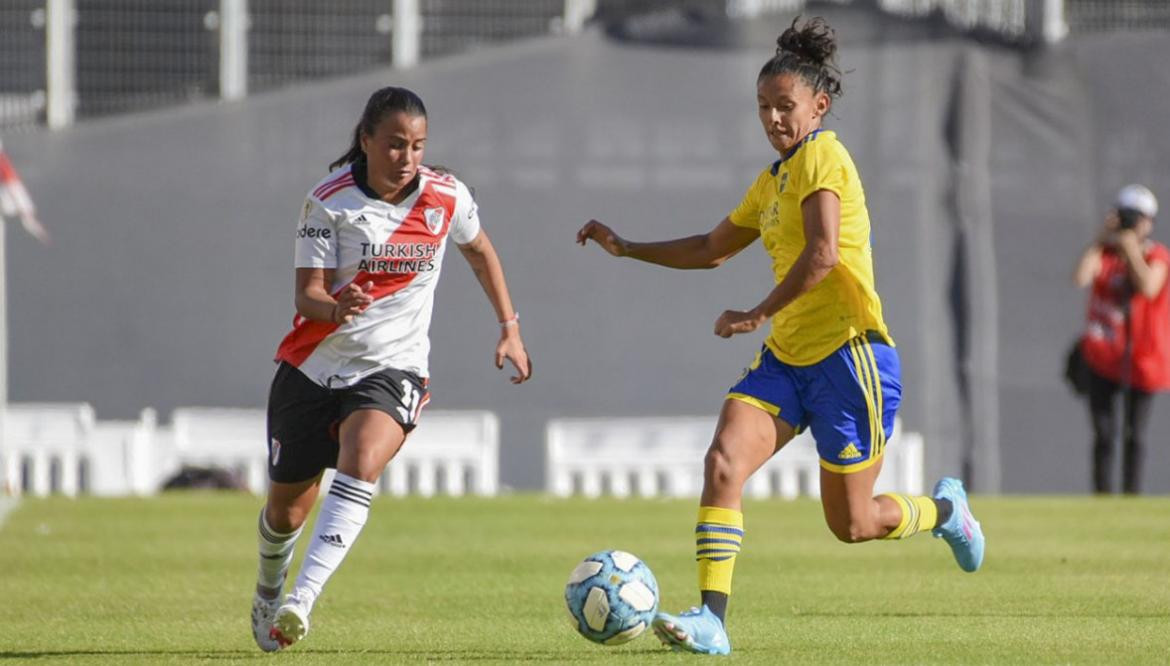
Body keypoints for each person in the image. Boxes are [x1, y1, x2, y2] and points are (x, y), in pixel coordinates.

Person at [576, 17, 984, 656]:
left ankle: (944, 514)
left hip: (852, 359)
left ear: (819, 106)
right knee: (722, 463)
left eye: (784, 105)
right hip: (787, 360)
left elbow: (822, 254)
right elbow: (712, 249)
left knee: (853, 523)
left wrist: (756, 312)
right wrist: (627, 248)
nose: (772, 118)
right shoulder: (772, 182)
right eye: (764, 106)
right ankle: (713, 620)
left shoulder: (825, 155)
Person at [250, 86, 532, 651]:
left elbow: (480, 251)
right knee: (286, 512)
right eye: (396, 144)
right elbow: (306, 295)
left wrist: (510, 326)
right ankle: (268, 589)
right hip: (312, 368)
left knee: (361, 462)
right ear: (367, 141)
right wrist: (336, 307)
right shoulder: (328, 202)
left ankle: (300, 601)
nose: (408, 158)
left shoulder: (446, 197)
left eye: (418, 146)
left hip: (394, 368)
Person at [1073, 184, 1169, 494]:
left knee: (1134, 434)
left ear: (1149, 222)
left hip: (1141, 359)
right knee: (1104, 432)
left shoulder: (1157, 256)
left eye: (1137, 217)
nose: (1131, 223)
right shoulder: (1105, 253)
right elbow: (1080, 278)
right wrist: (1101, 239)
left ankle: (1131, 497)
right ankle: (1102, 497)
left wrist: (1130, 248)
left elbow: (1148, 287)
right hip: (1102, 355)